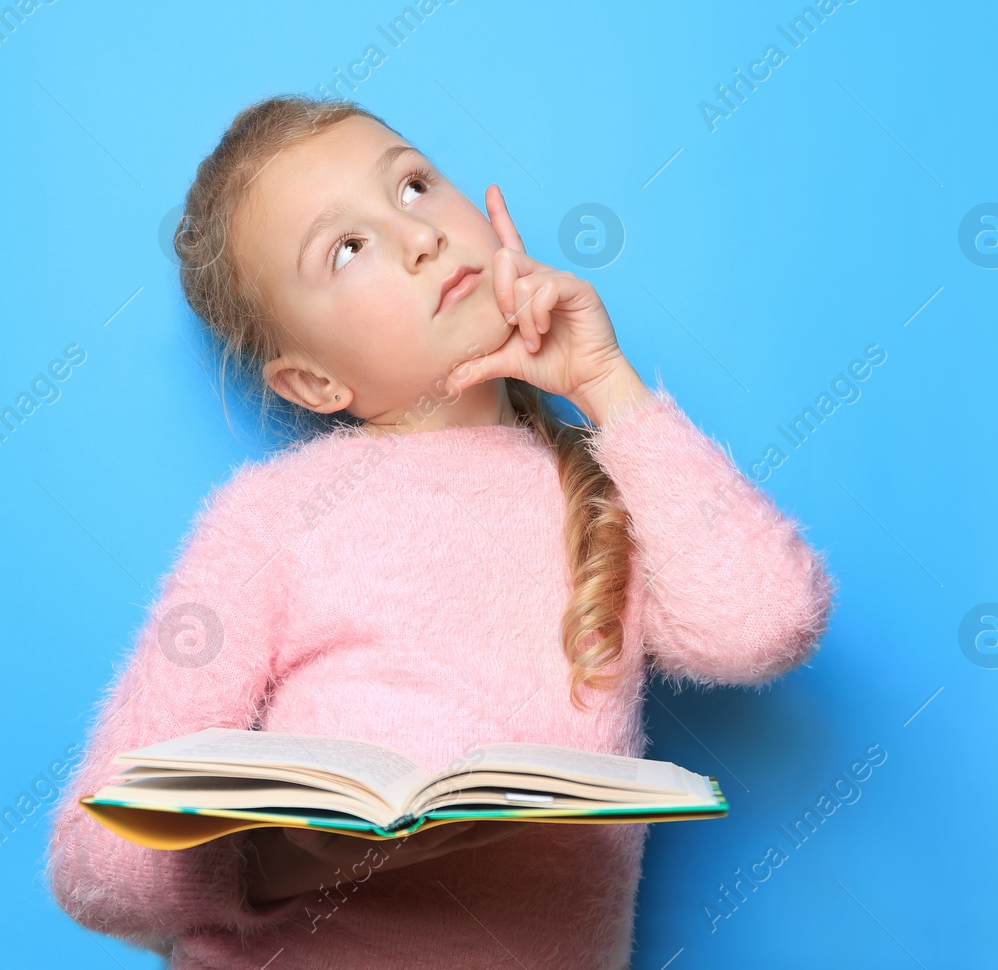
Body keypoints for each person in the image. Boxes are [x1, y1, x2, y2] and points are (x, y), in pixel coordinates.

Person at [45, 95, 836, 968]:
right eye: (347, 248)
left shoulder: (616, 487)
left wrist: (608, 385)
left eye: (414, 185)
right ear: (311, 382)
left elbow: (764, 626)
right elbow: (97, 862)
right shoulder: (270, 519)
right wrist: (277, 866)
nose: (418, 234)